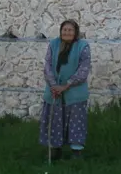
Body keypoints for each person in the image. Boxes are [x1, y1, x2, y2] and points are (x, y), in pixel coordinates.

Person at [39, 19, 91, 160]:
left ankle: (76, 152)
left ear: (75, 32)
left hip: (75, 93)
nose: (67, 32)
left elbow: (83, 70)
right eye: (64, 30)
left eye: (70, 30)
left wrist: (66, 85)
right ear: (61, 31)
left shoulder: (83, 46)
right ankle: (56, 150)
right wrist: (53, 85)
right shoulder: (53, 44)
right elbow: (48, 65)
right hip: (54, 91)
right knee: (54, 120)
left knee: (76, 123)